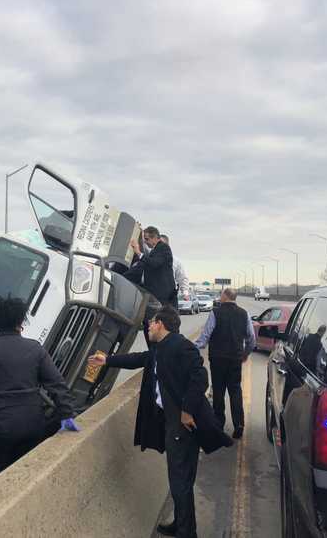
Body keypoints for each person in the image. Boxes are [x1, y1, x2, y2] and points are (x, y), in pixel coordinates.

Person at [88, 307, 232, 538]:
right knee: (181, 480)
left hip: (181, 425)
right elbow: (138, 359)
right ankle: (182, 524)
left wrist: (186, 411)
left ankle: (187, 533)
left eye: (152, 322)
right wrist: (107, 360)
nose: (149, 326)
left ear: (162, 324)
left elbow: (200, 377)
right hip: (172, 422)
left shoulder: (181, 346)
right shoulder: (160, 348)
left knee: (179, 480)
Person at [0, 297, 80, 486]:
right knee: (27, 480)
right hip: (32, 424)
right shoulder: (35, 349)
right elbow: (56, 384)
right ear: (21, 322)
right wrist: (67, 415)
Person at [194, 287, 256, 439]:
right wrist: (245, 354)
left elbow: (205, 336)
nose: (220, 297)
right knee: (235, 391)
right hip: (235, 359)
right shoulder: (244, 313)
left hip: (217, 359)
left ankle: (218, 424)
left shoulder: (215, 312)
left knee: (219, 392)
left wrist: (193, 347)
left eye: (221, 295)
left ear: (226, 296)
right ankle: (239, 425)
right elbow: (251, 339)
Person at [123, 226, 176, 347]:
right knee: (151, 328)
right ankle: (153, 355)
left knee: (162, 327)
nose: (146, 242)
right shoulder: (154, 250)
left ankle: (160, 355)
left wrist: (138, 252)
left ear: (154, 237)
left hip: (161, 296)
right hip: (153, 296)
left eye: (147, 239)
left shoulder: (163, 248)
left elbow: (154, 263)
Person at [160, 234, 190, 310]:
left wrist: (185, 293)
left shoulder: (176, 261)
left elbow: (183, 278)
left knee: (171, 319)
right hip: (153, 294)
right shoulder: (150, 257)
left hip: (169, 296)